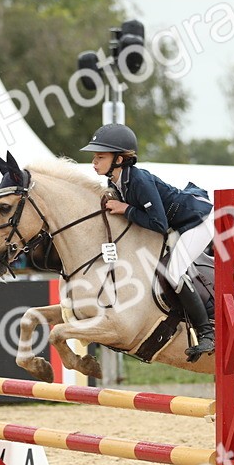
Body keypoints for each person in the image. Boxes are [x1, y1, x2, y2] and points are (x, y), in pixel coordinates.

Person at [81, 124, 216, 361]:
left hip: (197, 221)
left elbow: (158, 224)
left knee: (174, 273)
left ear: (119, 159)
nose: (94, 162)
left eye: (100, 157)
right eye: (94, 157)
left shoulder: (139, 180)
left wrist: (126, 209)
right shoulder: (115, 182)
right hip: (176, 225)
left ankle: (207, 332)